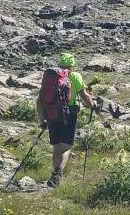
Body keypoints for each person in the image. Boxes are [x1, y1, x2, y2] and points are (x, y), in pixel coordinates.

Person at [36, 52, 97, 187]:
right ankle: (58, 174)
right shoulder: (75, 76)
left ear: (60, 65)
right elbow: (85, 97)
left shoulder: (50, 77)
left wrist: (42, 121)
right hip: (68, 115)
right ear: (72, 66)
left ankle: (55, 174)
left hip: (51, 114)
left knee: (57, 147)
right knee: (66, 147)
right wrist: (92, 105)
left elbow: (39, 101)